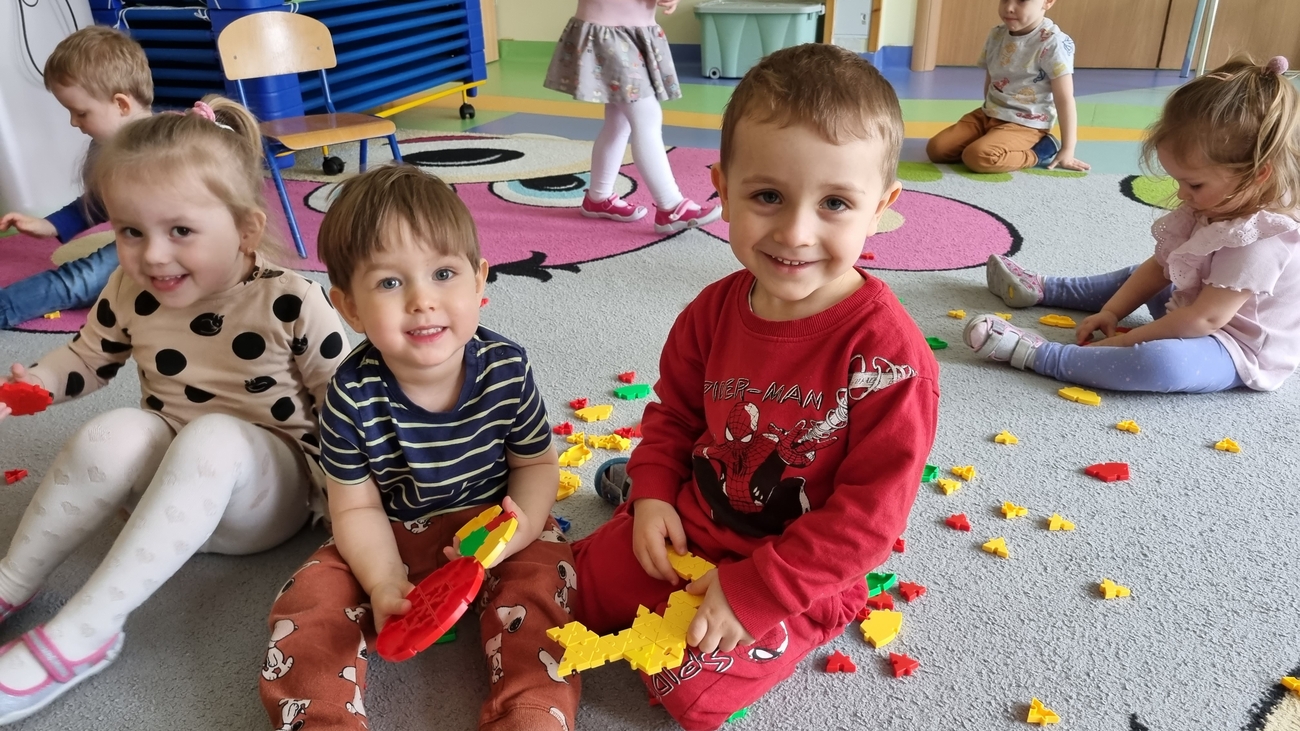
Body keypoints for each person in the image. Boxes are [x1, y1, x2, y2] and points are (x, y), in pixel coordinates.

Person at [570, 44, 939, 730]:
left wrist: (758, 591)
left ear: (882, 207)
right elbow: (675, 415)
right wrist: (654, 493)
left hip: (800, 571)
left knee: (690, 692)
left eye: (835, 203)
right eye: (767, 196)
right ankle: (628, 488)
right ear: (723, 186)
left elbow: (868, 516)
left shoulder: (890, 357)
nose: (795, 232)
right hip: (696, 521)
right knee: (570, 588)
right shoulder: (712, 311)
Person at [0, 97, 348, 722]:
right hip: (160, 492)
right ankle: (11, 583)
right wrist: (37, 385)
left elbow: (346, 409)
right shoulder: (130, 287)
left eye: (180, 231)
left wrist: (364, 516)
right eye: (130, 232)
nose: (153, 255)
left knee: (214, 436)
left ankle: (84, 634)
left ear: (245, 229)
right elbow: (87, 357)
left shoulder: (292, 299)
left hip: (264, 501)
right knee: (112, 431)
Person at [259, 165, 579, 731]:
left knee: (544, 588)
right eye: (389, 283)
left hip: (494, 524)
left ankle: (531, 713)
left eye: (444, 273)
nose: (422, 301)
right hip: (390, 532)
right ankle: (322, 719)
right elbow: (355, 508)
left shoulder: (506, 367)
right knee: (309, 601)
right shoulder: (350, 395)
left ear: (479, 281)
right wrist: (383, 579)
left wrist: (518, 530)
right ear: (349, 307)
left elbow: (534, 463)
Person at [966, 56, 1300, 394]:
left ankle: (1043, 356)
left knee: (1161, 363)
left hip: (1235, 349)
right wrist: (1112, 311)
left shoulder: (1262, 240)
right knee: (1140, 275)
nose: (1182, 195)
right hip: (1192, 307)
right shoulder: (1221, 200)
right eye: (1178, 181)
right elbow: (1160, 267)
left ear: (1258, 174)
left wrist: (1125, 342)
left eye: (1194, 184)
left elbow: (1205, 319)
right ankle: (1046, 289)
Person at [0, 26, 152, 329]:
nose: (73, 122)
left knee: (78, 279)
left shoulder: (167, 149)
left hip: (173, 246)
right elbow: (100, 201)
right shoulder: (105, 145)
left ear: (121, 104)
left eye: (81, 113)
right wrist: (50, 225)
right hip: (139, 240)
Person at [544, 0, 722, 233]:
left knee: (619, 120)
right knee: (646, 116)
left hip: (630, 33)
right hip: (609, 36)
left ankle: (598, 197)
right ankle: (671, 206)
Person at [925, 0, 1089, 173]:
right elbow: (992, 76)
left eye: (1021, 1)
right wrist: (989, 112)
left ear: (1047, 2)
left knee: (978, 157)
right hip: (989, 114)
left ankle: (1041, 150)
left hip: (1026, 123)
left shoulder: (1053, 43)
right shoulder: (996, 34)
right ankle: (990, 139)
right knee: (937, 149)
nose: (1009, 8)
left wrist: (1068, 149)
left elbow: (1064, 99)